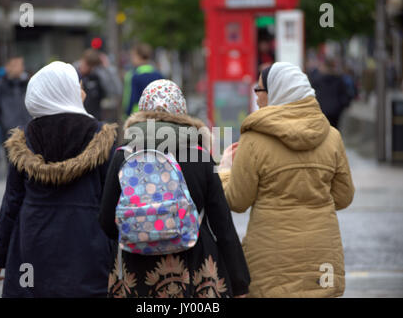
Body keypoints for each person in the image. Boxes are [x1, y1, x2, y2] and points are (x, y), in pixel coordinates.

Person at [99, 79, 250, 298]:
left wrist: (141, 231)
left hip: (137, 269)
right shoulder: (199, 155)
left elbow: (106, 222)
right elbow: (222, 225)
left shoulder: (124, 155)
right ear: (182, 112)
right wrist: (239, 283)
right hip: (194, 267)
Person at [219, 62, 355, 298]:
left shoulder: (254, 140)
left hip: (271, 260)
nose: (256, 97)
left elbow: (237, 201)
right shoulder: (332, 137)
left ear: (275, 92)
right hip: (322, 257)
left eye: (259, 90)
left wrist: (225, 170)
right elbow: (344, 197)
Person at [0, 61, 118, 297]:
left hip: (33, 247)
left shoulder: (24, 139)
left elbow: (11, 202)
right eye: (78, 86)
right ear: (64, 90)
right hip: (88, 248)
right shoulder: (102, 137)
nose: (84, 92)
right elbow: (114, 202)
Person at [0, 55, 31, 144]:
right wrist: (5, 122)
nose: (18, 68)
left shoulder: (29, 83)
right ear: (7, 67)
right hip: (10, 132)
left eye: (20, 65)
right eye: (15, 65)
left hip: (29, 130)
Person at [122, 43, 163, 118]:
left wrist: (126, 114)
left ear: (138, 56)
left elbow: (129, 98)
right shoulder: (158, 75)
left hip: (137, 116)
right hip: (155, 115)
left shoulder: (132, 76)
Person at [310, 59, 350, 128]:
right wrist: (340, 107)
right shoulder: (339, 80)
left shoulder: (317, 80)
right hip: (335, 112)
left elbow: (312, 95)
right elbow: (345, 96)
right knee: (334, 131)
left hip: (321, 111)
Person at [78, 48, 108, 120]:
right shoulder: (72, 75)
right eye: (86, 64)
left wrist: (107, 68)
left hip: (94, 119)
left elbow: (113, 91)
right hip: (78, 118)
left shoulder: (96, 77)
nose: (87, 68)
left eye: (90, 66)